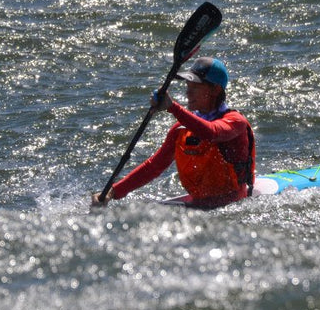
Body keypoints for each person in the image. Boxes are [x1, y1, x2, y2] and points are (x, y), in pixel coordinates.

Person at [93, 57, 256, 209]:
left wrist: (172, 107)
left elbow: (212, 133)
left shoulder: (235, 121)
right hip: (198, 205)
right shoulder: (181, 129)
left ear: (215, 90)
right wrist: (112, 192)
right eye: (188, 87)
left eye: (195, 87)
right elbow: (154, 167)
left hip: (233, 207)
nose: (188, 93)